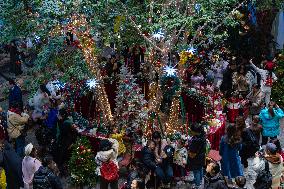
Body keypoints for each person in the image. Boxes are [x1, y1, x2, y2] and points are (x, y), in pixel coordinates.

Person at [187, 123, 207, 188]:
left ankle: (197, 185)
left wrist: (188, 150)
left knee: (196, 171)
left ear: (195, 131)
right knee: (200, 169)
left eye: (191, 130)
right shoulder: (203, 135)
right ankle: (200, 181)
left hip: (196, 158)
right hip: (202, 156)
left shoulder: (196, 141)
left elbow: (192, 151)